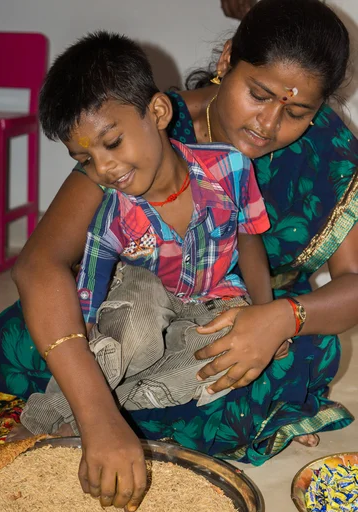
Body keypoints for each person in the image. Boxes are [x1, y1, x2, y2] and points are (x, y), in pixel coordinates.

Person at [0, 0, 357, 512]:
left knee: (306, 357)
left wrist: (277, 318)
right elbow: (40, 262)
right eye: (259, 95)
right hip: (137, 304)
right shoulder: (144, 125)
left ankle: (110, 404)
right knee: (21, 336)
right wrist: (98, 416)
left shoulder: (328, 152)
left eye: (296, 112)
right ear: (228, 61)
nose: (269, 125)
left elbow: (354, 283)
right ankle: (110, 412)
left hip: (237, 312)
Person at [15, 30, 276, 438]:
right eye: (85, 159)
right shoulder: (112, 212)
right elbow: (93, 279)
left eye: (112, 143)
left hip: (215, 295)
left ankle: (124, 405)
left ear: (157, 112)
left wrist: (263, 312)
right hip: (144, 289)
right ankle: (48, 417)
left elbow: (249, 239)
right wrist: (86, 333)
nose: (104, 168)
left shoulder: (230, 168)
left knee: (227, 355)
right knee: (134, 338)